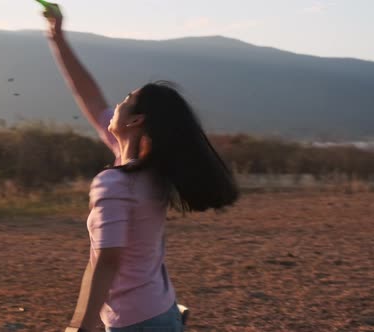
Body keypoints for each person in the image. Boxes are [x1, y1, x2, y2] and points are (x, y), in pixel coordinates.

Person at [42, 4, 239, 332]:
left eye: (124, 99)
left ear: (136, 120)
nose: (114, 105)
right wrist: (57, 37)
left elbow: (108, 261)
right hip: (162, 310)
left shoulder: (116, 182)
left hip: (135, 324)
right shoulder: (148, 167)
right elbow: (89, 97)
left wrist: (81, 326)